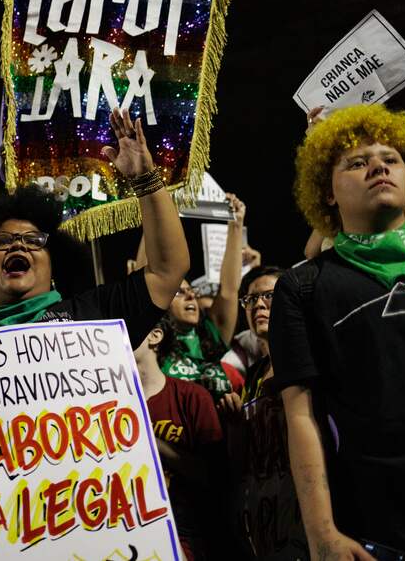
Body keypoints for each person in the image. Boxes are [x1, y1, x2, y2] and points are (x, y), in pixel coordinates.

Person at [0, 107, 190, 463]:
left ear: (54, 266)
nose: (17, 245)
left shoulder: (94, 315)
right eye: (1, 242)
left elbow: (168, 270)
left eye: (34, 241)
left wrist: (145, 179)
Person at [269, 104, 405, 560]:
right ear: (327, 193)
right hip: (385, 533)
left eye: (391, 159)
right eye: (356, 162)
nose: (378, 167)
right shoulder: (302, 287)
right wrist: (323, 535)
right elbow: (300, 417)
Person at [227, 266, 309, 560]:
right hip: (267, 524)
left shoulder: (310, 360)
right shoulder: (253, 376)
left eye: (269, 296)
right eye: (250, 300)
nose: (258, 305)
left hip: (308, 518)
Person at [134, 319, 224, 560]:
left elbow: (214, 475)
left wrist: (153, 442)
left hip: (188, 534)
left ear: (155, 336)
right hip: (137, 536)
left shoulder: (192, 397)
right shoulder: (110, 406)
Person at [151, 194, 248, 407]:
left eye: (191, 290)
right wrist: (159, 209)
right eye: (179, 292)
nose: (190, 295)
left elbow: (229, 290)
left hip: (220, 436)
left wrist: (235, 224)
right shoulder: (153, 345)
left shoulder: (212, 335)